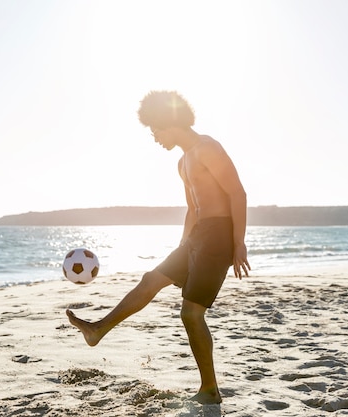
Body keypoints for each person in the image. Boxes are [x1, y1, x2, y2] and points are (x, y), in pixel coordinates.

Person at [66, 90, 250, 404]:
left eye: (154, 129)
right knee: (151, 280)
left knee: (191, 314)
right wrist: (183, 248)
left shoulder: (208, 148)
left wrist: (238, 243)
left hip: (219, 236)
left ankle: (209, 390)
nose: (154, 137)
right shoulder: (183, 162)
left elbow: (237, 193)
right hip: (197, 237)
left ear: (168, 122)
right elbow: (193, 210)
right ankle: (97, 330)